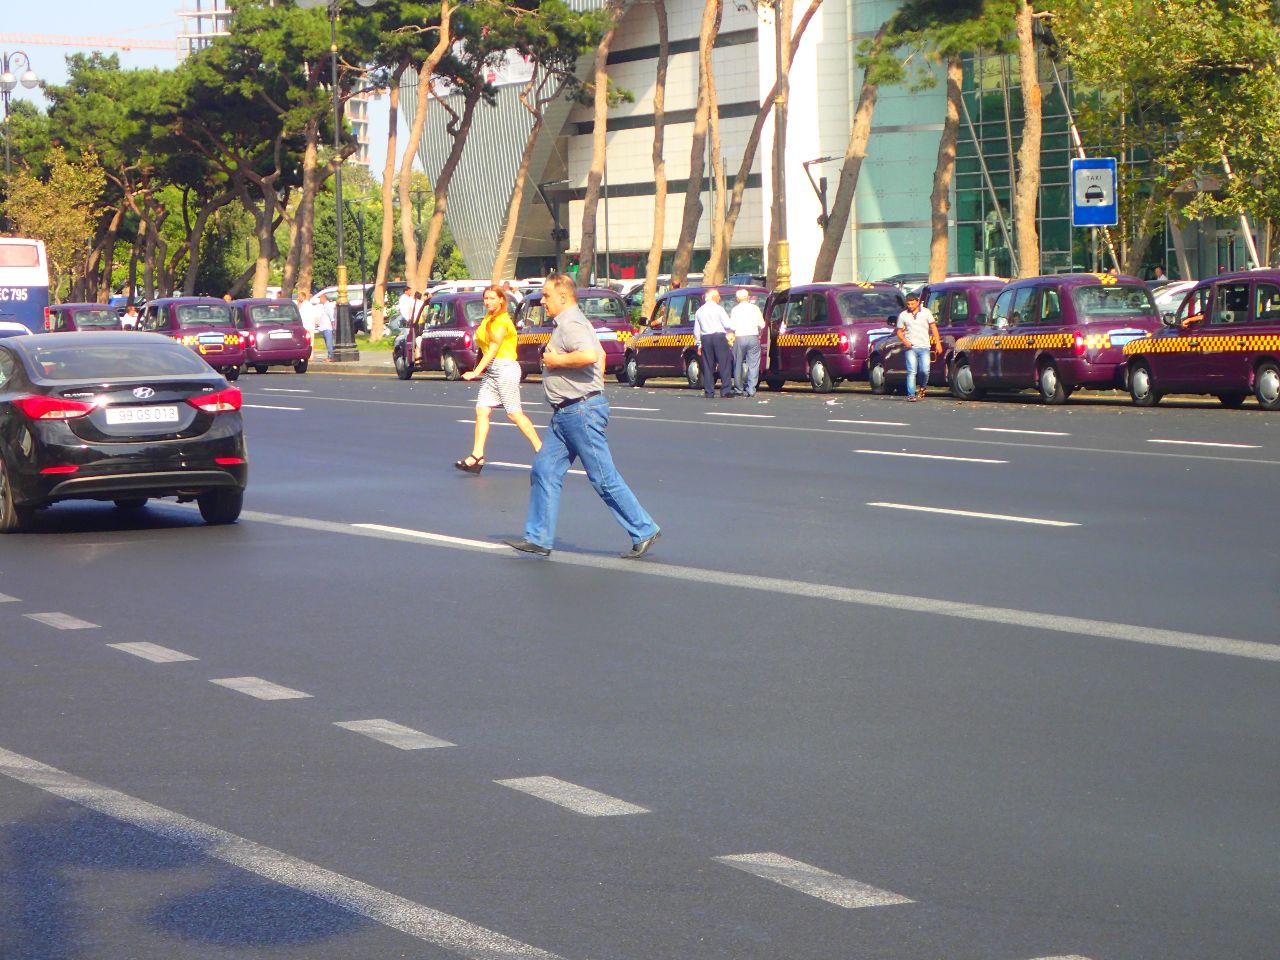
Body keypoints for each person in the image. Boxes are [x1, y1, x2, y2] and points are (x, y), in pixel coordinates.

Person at [505, 274, 660, 560]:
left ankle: (644, 529)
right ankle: (538, 538)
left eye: (547, 295)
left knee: (603, 477)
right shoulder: (570, 322)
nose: (542, 300)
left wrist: (557, 363)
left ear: (563, 296)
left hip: (579, 412)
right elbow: (600, 355)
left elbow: (589, 355)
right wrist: (589, 386)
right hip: (567, 413)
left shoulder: (571, 323)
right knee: (544, 470)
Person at [456, 285, 541, 473]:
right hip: (493, 370)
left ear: (502, 300)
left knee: (513, 413)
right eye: (486, 298)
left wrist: (476, 371)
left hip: (505, 368)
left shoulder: (502, 321)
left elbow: (494, 348)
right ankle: (477, 455)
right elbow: (484, 348)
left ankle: (542, 451)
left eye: (493, 298)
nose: (488, 302)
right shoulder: (488, 318)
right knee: (482, 410)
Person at [895, 291, 942, 402]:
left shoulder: (926, 312)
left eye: (912, 303)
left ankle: (922, 387)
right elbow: (899, 331)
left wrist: (938, 343)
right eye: (908, 304)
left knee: (925, 370)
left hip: (924, 346)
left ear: (918, 302)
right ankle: (911, 394)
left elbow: (933, 327)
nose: (910, 306)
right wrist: (904, 341)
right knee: (912, 371)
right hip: (910, 347)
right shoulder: (903, 315)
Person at [693, 288, 734, 398]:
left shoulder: (699, 311)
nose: (719, 298)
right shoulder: (719, 309)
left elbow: (696, 330)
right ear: (713, 297)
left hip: (706, 338)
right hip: (719, 337)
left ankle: (709, 391)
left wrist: (699, 344)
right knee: (724, 363)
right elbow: (727, 325)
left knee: (708, 365)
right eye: (718, 296)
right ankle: (725, 390)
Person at [727, 288, 765, 397]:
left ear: (737, 299)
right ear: (748, 297)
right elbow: (762, 325)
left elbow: (732, 326)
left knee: (737, 363)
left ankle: (738, 388)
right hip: (753, 337)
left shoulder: (735, 310)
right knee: (753, 364)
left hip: (739, 337)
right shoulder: (755, 308)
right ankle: (751, 389)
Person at [314, 292, 336, 361]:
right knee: (327, 342)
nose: (319, 300)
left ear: (324, 298)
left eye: (320, 298)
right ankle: (330, 356)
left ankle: (331, 357)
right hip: (324, 327)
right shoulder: (324, 306)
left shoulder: (328, 306)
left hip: (328, 328)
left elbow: (331, 317)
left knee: (329, 343)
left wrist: (333, 327)